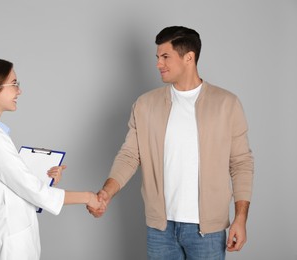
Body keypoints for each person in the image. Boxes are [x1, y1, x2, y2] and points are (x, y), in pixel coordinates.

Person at [88, 26, 254, 259]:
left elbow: (241, 164)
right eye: (157, 57)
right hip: (160, 229)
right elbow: (129, 155)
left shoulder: (226, 104)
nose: (158, 64)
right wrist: (106, 192)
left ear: (189, 57)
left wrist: (240, 218)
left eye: (165, 57)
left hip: (208, 231)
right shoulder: (146, 105)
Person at [0, 57, 103, 260]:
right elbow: (35, 192)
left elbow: (10, 189)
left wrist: (45, 180)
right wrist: (88, 197)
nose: (19, 91)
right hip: (6, 245)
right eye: (14, 84)